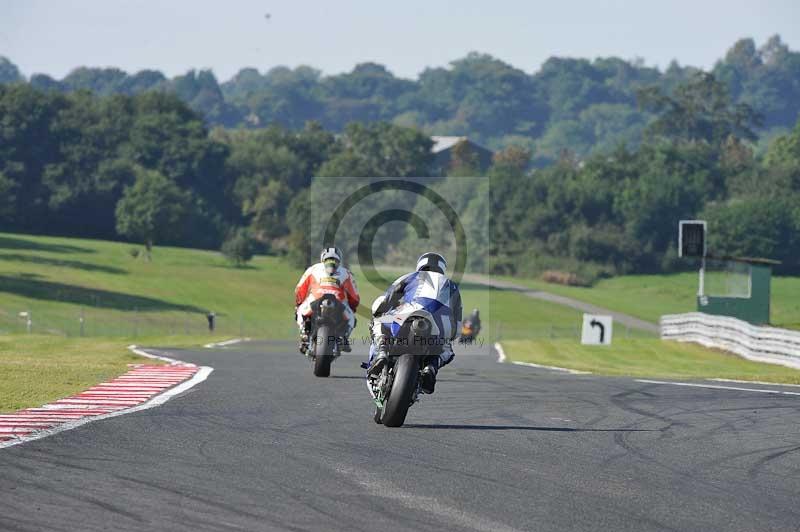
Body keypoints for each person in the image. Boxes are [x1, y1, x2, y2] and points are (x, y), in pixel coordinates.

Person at [367, 252, 462, 394]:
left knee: (379, 321)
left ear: (420, 265)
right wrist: (449, 335)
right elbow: (458, 325)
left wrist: (378, 311)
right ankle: (431, 367)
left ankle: (382, 352)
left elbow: (387, 298)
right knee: (446, 350)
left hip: (408, 312)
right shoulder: (452, 286)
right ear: (442, 268)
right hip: (440, 325)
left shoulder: (410, 276)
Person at [295, 247, 360, 354]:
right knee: (352, 319)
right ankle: (343, 338)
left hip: (315, 299)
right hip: (338, 302)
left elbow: (300, 289)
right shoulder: (346, 272)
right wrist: (353, 307)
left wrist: (298, 303)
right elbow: (354, 296)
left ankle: (304, 334)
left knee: (300, 312)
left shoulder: (313, 269)